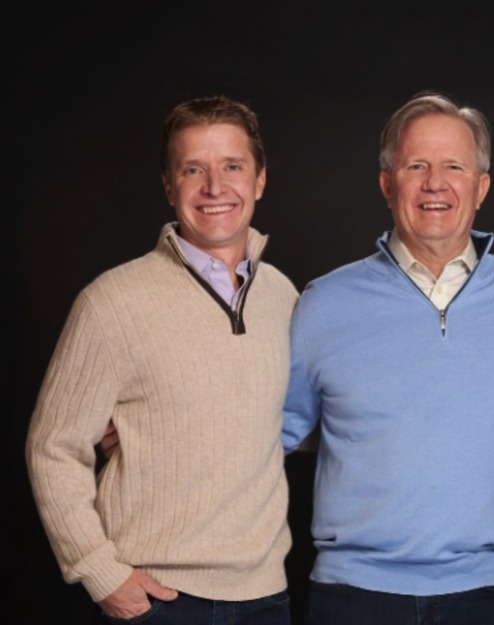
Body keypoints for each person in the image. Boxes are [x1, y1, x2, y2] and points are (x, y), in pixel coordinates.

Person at [281, 91, 494, 625]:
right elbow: (261, 440)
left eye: (454, 166)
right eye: (416, 166)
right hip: (353, 597)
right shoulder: (324, 303)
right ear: (388, 184)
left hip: (489, 598)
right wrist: (148, 436)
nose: (435, 183)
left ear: (481, 187)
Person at [26, 95, 298, 624]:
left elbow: (291, 422)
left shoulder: (283, 297)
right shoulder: (111, 303)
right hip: (158, 600)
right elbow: (53, 448)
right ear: (170, 186)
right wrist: (100, 572)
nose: (215, 187)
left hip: (266, 596)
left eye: (232, 166)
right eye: (193, 169)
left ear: (260, 180)